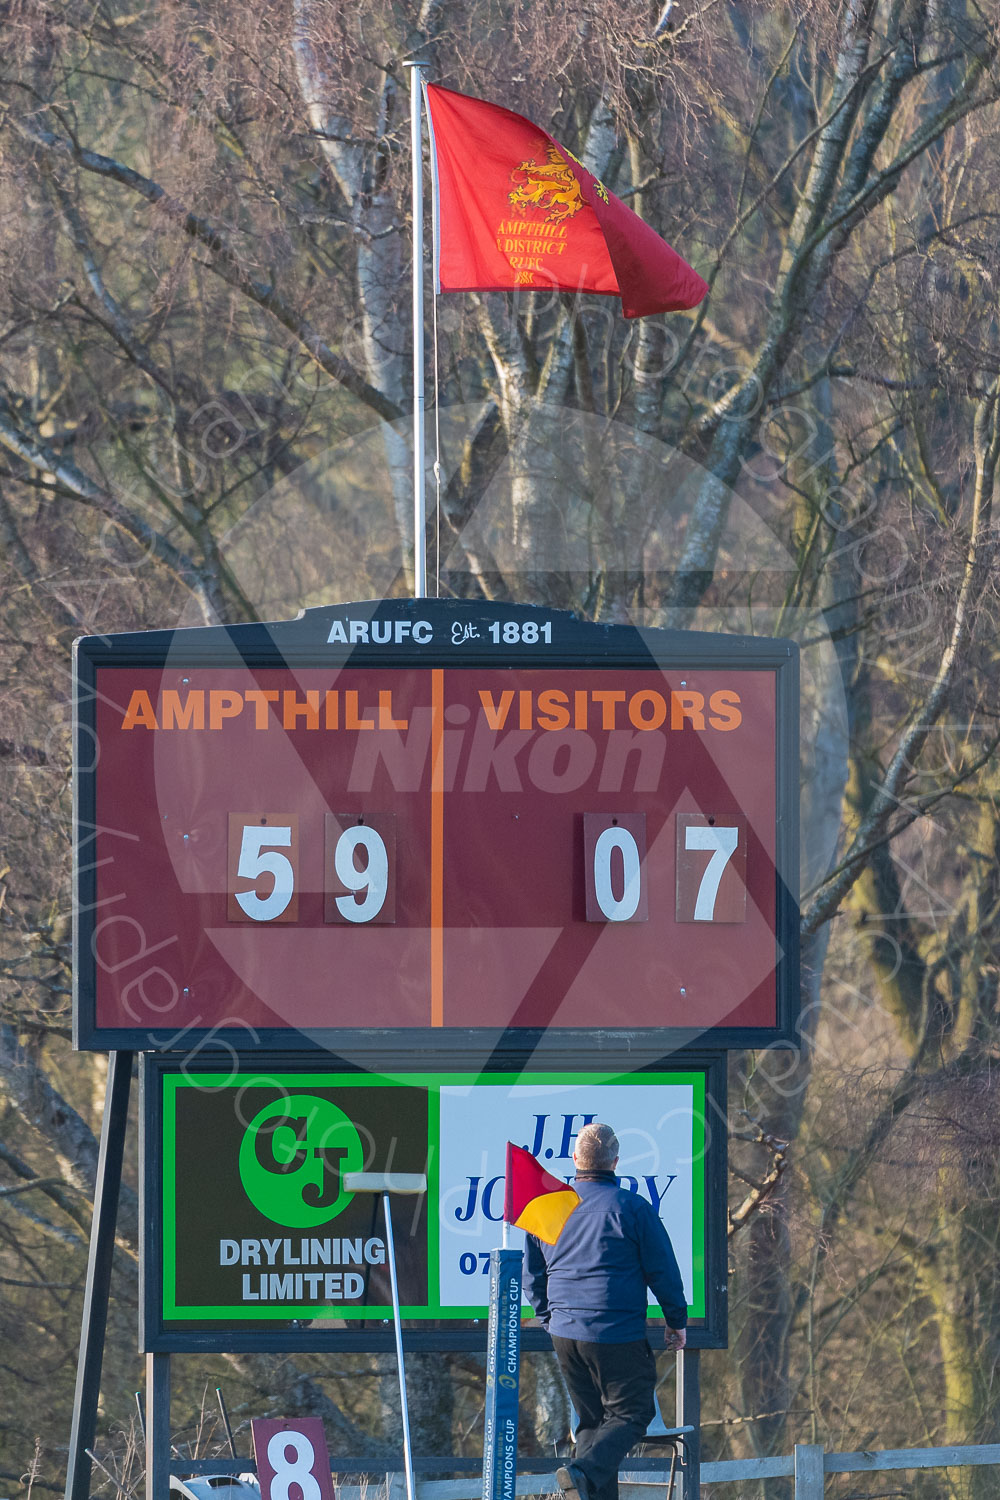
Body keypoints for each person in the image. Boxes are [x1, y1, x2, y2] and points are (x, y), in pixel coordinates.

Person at [523, 1122, 688, 1500]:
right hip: (615, 1333)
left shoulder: (547, 1208)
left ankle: (584, 1479)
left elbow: (532, 1273)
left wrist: (550, 1319)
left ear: (575, 1159)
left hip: (566, 1335)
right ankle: (581, 1472)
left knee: (593, 1426)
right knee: (633, 1414)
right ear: (616, 1161)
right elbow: (662, 1270)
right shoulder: (632, 1208)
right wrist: (675, 1321)